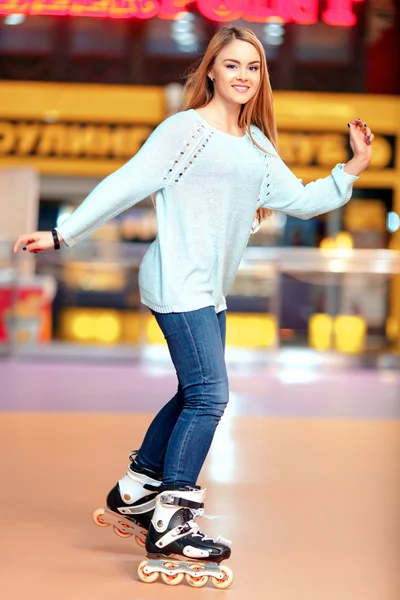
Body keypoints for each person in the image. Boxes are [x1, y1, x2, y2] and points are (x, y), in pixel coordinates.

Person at [13, 26, 373, 587]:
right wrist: (64, 235)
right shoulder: (184, 132)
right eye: (232, 65)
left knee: (191, 391)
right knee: (211, 395)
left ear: (261, 77)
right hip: (177, 282)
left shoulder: (257, 146)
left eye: (252, 67)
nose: (243, 76)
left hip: (210, 290)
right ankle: (172, 518)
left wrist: (351, 167)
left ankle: (136, 490)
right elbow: (125, 183)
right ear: (211, 71)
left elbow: (301, 200)